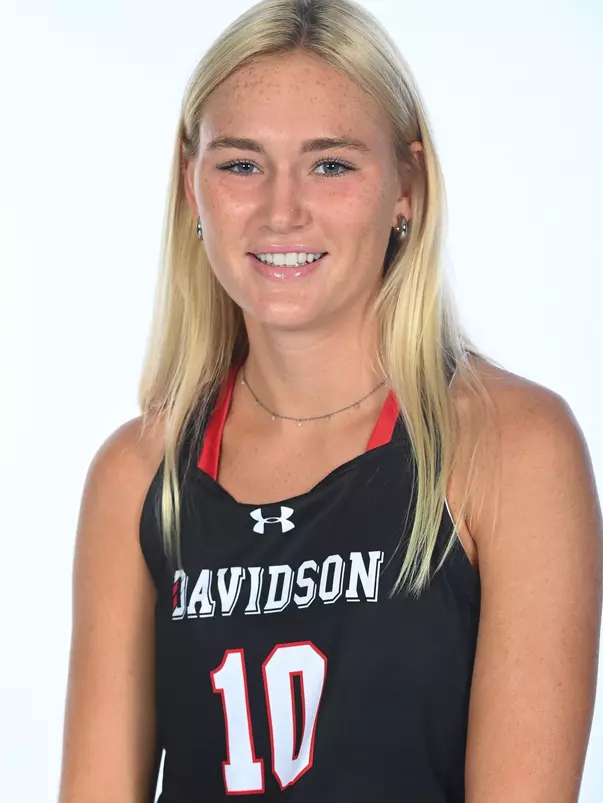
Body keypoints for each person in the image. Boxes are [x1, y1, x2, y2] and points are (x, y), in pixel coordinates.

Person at [58, 1, 603, 801]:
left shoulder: (510, 446)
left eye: (331, 164)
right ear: (191, 186)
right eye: (241, 164)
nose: (281, 210)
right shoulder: (139, 475)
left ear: (405, 188)